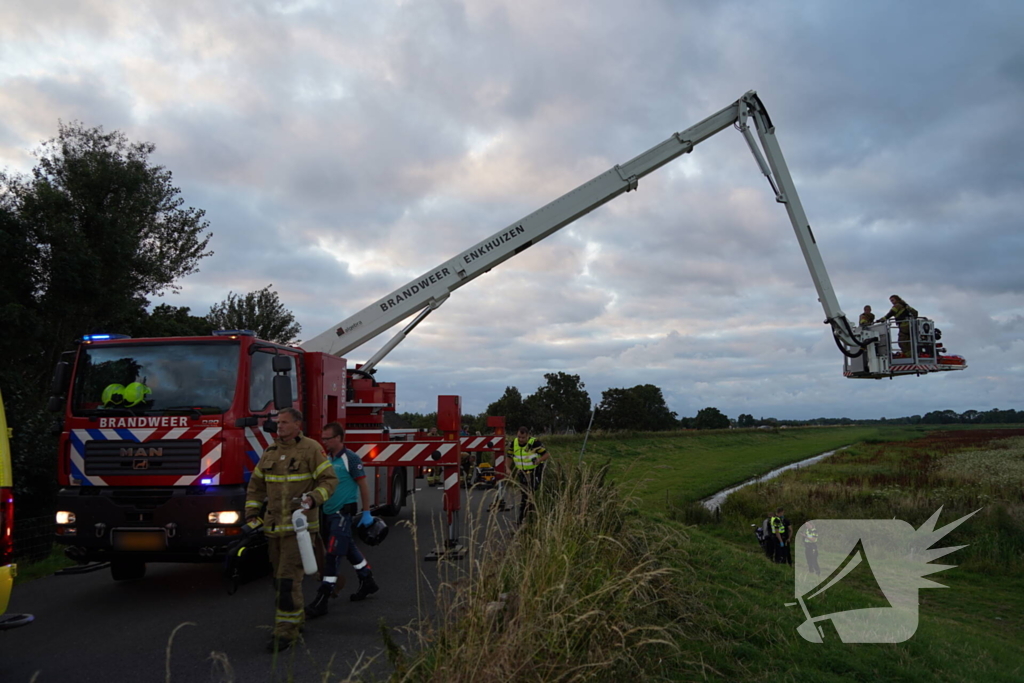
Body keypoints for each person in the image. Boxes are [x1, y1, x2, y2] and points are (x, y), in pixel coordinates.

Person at [244, 407, 337, 653]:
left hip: (300, 530)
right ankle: (296, 619)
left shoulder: (311, 449)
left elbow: (329, 481)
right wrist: (252, 514)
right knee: (279, 580)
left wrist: (313, 499)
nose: (279, 427)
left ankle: (285, 632)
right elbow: (256, 485)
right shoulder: (270, 452)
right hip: (274, 529)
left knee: (287, 579)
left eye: (284, 422)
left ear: (298, 425)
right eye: (277, 423)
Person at [305, 422, 378, 619]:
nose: (324, 441)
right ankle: (367, 580)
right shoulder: (327, 459)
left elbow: (363, 485)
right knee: (348, 548)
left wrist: (366, 512)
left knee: (333, 553)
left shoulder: (351, 459)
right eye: (323, 438)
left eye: (328, 438)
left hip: (342, 514)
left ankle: (324, 597)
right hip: (328, 513)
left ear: (338, 438)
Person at [506, 426, 550, 525]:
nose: (521, 440)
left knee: (531, 492)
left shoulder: (535, 443)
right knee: (525, 495)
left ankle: (530, 517)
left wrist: (538, 460)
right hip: (522, 472)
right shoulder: (514, 443)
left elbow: (546, 454)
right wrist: (508, 468)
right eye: (519, 437)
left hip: (535, 471)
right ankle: (523, 519)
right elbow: (509, 456)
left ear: (528, 436)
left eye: (523, 438)